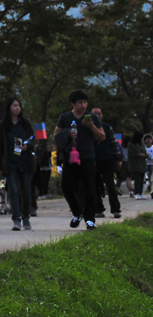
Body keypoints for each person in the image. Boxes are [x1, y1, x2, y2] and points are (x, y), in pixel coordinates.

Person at [53, 90, 104, 230]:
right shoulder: (65, 117)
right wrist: (67, 133)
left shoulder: (92, 117)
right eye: (80, 102)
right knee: (67, 187)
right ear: (73, 103)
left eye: (85, 102)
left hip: (87, 156)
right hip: (69, 157)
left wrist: (91, 126)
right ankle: (77, 212)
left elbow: (102, 136)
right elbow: (56, 134)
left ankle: (90, 220)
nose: (83, 105)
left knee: (89, 189)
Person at [0, 98, 35, 231]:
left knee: (26, 191)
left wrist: (27, 146)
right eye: (14, 106)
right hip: (10, 163)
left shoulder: (25, 123)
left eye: (19, 106)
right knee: (13, 190)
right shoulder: (3, 125)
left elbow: (32, 139)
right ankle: (16, 219)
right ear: (9, 108)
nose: (17, 108)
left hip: (25, 161)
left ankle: (26, 218)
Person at [91, 107, 122, 219]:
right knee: (95, 185)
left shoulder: (107, 127)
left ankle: (115, 209)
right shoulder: (86, 128)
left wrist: (118, 159)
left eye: (99, 113)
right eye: (95, 114)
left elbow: (114, 144)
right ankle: (98, 209)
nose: (98, 116)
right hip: (93, 160)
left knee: (110, 185)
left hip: (108, 159)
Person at [125, 132, 146, 199]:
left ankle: (140, 193)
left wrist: (146, 154)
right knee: (137, 179)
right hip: (134, 165)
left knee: (142, 179)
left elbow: (144, 151)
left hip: (142, 164)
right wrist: (139, 154)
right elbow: (130, 155)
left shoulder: (141, 144)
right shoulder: (131, 145)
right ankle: (136, 193)